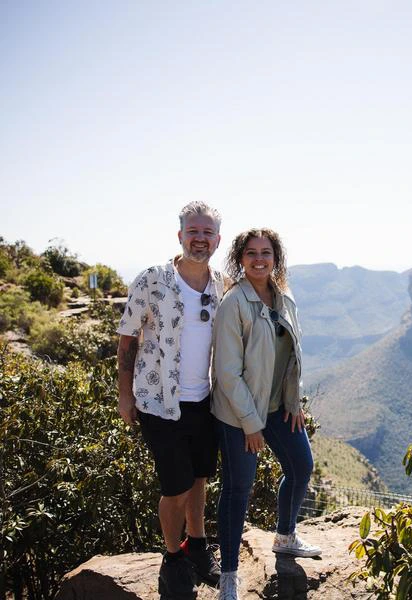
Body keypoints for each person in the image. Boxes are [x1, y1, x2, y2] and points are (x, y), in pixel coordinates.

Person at [117, 201, 224, 600]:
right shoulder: (152, 280)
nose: (200, 238)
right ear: (180, 236)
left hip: (205, 401)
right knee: (176, 486)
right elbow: (128, 337)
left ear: (217, 239)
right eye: (193, 231)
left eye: (207, 232)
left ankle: (196, 546)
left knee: (199, 479)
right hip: (158, 402)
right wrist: (124, 394)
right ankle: (172, 561)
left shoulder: (221, 285)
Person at [212, 228, 321, 600]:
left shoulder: (284, 297)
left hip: (277, 407)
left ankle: (285, 536)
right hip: (238, 413)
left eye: (267, 253)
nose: (259, 260)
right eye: (252, 253)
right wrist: (251, 424)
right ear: (240, 259)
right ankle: (228, 575)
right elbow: (226, 372)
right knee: (238, 489)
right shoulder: (233, 303)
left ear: (276, 258)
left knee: (301, 466)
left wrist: (294, 401)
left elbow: (293, 355)